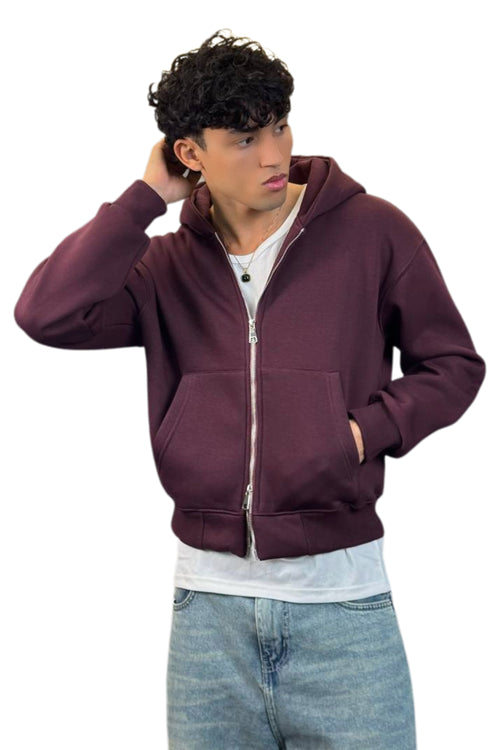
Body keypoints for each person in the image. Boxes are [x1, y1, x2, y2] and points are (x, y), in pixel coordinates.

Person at [14, 28, 486, 750]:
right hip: (208, 617)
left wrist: (359, 435)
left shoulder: (373, 233)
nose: (273, 154)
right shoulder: (163, 267)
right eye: (243, 139)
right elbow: (46, 313)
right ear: (189, 153)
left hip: (344, 607)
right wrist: (144, 199)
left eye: (279, 127)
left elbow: (452, 363)